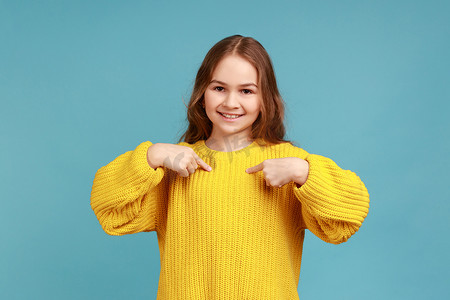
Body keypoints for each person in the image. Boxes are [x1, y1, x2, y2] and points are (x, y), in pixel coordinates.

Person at [90, 34, 370, 300]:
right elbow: (108, 210)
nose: (230, 102)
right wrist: (151, 155)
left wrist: (304, 172)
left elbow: (347, 220)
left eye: (246, 91)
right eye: (219, 88)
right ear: (202, 92)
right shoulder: (175, 165)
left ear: (265, 98)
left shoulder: (287, 164)